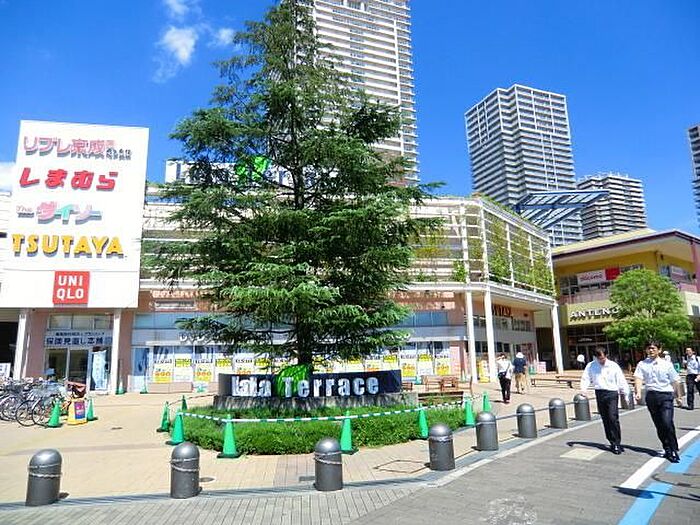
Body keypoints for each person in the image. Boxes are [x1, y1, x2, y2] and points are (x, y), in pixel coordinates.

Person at [634, 341, 684, 463]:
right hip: (651, 396)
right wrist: (638, 392)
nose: (651, 350)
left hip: (666, 396)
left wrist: (678, 396)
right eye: (649, 348)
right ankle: (667, 448)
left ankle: (673, 448)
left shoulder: (666, 364)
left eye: (653, 348)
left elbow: (675, 381)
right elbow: (638, 378)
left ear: (659, 350)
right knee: (659, 424)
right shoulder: (642, 364)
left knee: (667, 422)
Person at [579, 347, 630, 454]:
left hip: (612, 393)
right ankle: (611, 441)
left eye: (602, 358)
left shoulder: (613, 366)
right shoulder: (591, 365)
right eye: (598, 358)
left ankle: (617, 442)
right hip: (600, 392)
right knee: (605, 418)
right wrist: (583, 389)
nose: (601, 360)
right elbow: (586, 378)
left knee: (613, 417)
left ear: (606, 355)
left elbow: (621, 380)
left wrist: (626, 394)